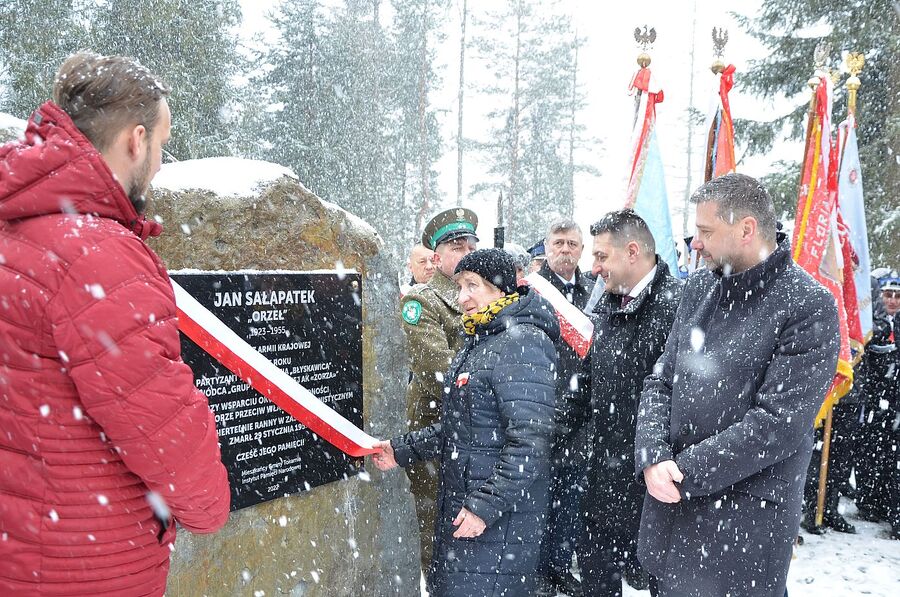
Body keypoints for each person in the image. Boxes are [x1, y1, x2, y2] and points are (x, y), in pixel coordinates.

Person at [0, 52, 230, 596]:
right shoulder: (96, 256)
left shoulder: (19, 231)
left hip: (24, 546)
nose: (159, 163)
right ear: (135, 140)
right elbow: (161, 424)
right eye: (162, 146)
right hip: (85, 563)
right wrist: (208, 507)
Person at [634, 173, 840, 596]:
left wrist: (682, 473)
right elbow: (660, 379)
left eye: (706, 231)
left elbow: (779, 424)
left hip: (740, 532)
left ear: (746, 229)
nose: (695, 243)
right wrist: (653, 456)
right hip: (669, 522)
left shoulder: (807, 305)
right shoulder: (699, 287)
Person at [374, 249, 559, 596]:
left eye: (472, 285)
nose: (463, 297)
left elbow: (530, 442)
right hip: (468, 511)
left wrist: (484, 507)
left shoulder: (523, 342)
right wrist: (400, 450)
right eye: (459, 287)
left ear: (500, 289)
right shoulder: (481, 340)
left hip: (498, 521)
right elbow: (461, 426)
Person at [579, 210, 682, 597]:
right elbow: (584, 388)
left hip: (656, 489)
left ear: (633, 251)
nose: (594, 268)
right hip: (603, 484)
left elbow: (680, 403)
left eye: (602, 256)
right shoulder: (605, 306)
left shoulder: (679, 308)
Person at [400, 207, 478, 574]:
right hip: (437, 429)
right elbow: (438, 372)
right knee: (436, 530)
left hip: (477, 431)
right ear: (436, 257)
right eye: (456, 248)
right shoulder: (422, 302)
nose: (466, 254)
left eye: (470, 246)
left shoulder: (486, 297)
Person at [535, 218, 594, 596]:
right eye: (559, 243)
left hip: (584, 410)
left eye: (573, 244)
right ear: (546, 247)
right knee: (540, 497)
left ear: (582, 250)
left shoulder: (594, 289)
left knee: (570, 500)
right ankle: (539, 570)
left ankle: (558, 566)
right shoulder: (536, 291)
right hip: (545, 406)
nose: (566, 250)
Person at [854, 273, 900, 538]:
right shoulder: (873, 323)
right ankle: (869, 501)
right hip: (873, 395)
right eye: (888, 295)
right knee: (869, 448)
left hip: (895, 398)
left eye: (897, 295)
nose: (893, 300)